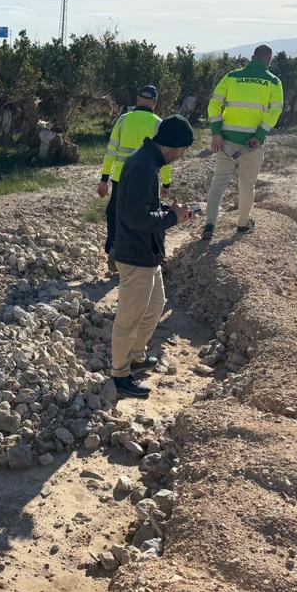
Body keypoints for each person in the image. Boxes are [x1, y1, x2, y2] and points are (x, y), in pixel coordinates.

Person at [111, 115, 196, 398]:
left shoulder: (149, 162)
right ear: (173, 145)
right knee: (129, 317)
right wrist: (172, 216)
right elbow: (137, 218)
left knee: (155, 305)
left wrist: (169, 210)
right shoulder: (143, 167)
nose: (183, 156)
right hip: (135, 254)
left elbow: (144, 208)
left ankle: (137, 356)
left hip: (148, 253)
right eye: (184, 150)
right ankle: (120, 375)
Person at [202, 45, 284, 238]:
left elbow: (214, 104)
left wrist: (216, 132)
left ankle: (209, 225)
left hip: (226, 141)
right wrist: (260, 134)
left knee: (218, 183)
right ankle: (242, 224)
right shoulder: (273, 81)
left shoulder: (231, 76)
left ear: (253, 57)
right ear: (269, 60)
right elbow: (275, 111)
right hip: (252, 144)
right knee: (247, 185)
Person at [98, 85, 170, 275]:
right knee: (146, 216)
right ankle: (143, 256)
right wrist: (166, 183)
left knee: (115, 213)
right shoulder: (158, 124)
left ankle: (113, 247)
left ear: (138, 100)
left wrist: (104, 178)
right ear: (154, 103)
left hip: (121, 177)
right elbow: (165, 156)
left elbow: (111, 151)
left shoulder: (123, 120)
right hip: (148, 179)